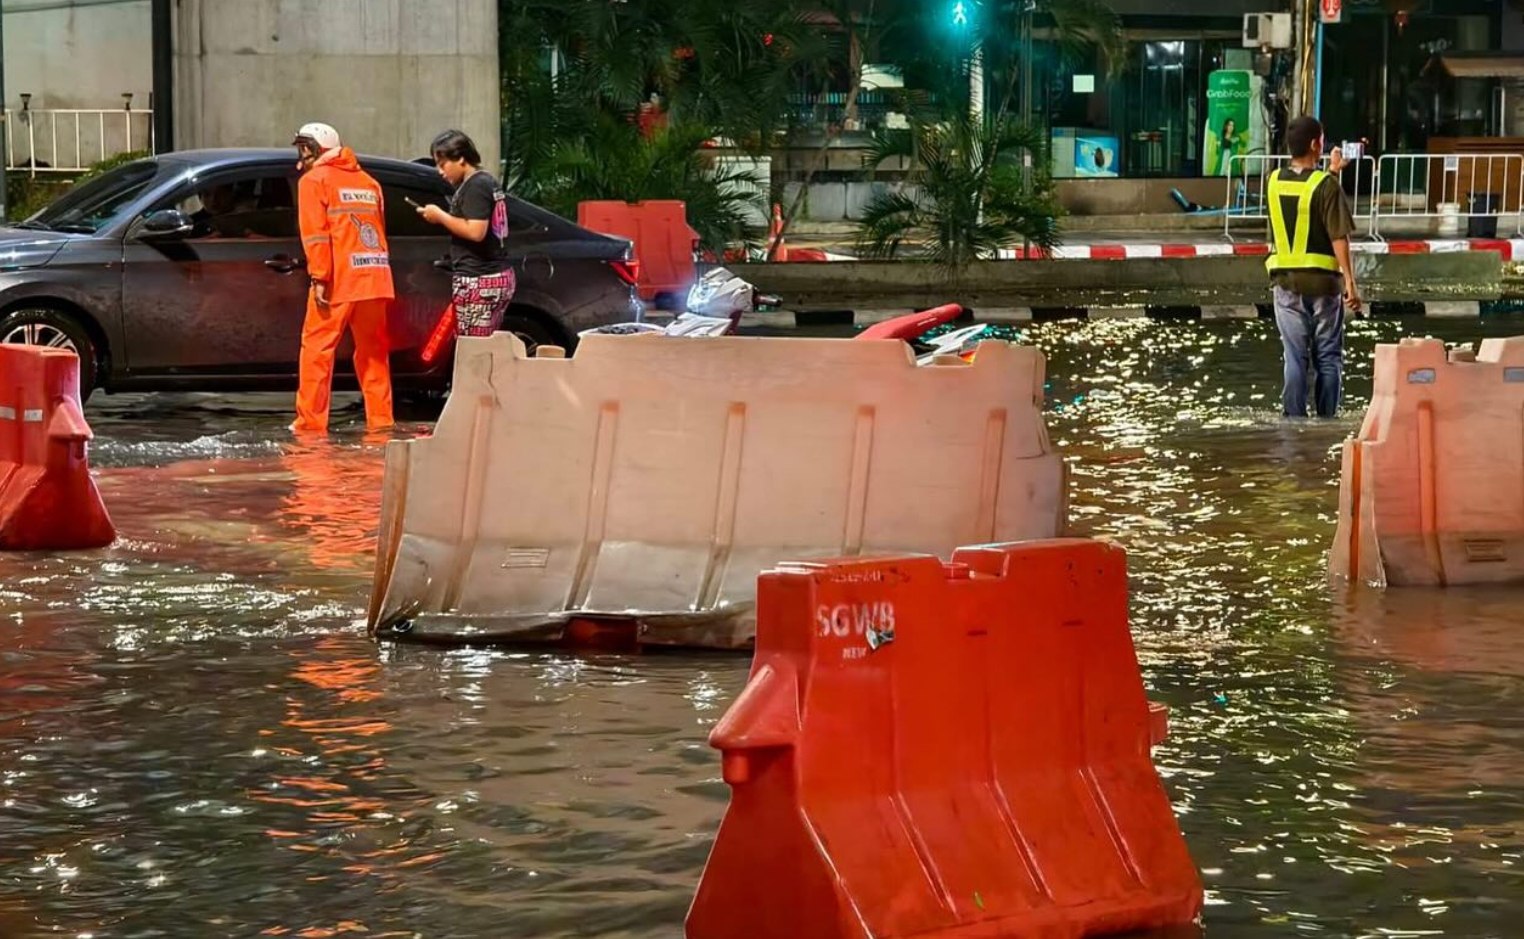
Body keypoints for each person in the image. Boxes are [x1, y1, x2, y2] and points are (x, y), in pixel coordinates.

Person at [290, 122, 394, 434]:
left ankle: (310, 424)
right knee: (373, 354)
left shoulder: (314, 180)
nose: (299, 158)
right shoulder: (369, 182)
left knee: (317, 352)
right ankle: (381, 422)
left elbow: (317, 237)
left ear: (313, 148)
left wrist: (319, 277)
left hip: (338, 281)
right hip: (375, 278)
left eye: (302, 150)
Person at [1266, 115, 1363, 419]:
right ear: (1314, 144)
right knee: (1328, 357)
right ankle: (1326, 422)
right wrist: (1351, 282)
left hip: (1285, 284)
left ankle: (1293, 421)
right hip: (1323, 287)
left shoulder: (1273, 181)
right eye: (1321, 139)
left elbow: (1305, 194)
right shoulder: (1327, 186)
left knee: (1294, 359)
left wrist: (1331, 172)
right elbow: (1339, 237)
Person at [415, 130, 514, 337]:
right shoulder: (483, 182)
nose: (440, 172)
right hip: (490, 276)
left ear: (460, 158)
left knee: (474, 349)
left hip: (480, 278)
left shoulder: (476, 185)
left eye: (442, 165)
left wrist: (440, 216)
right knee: (483, 344)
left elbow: (475, 231)